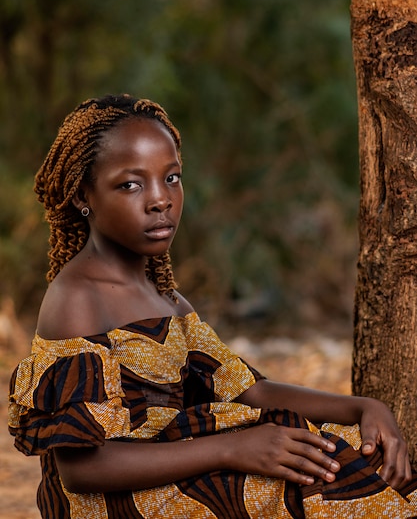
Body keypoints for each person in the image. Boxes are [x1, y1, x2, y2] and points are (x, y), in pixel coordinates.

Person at [8, 94, 417, 519]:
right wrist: (233, 448)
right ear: (81, 196)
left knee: (342, 458)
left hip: (177, 470)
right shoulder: (77, 298)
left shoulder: (164, 297)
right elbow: (81, 469)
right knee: (303, 484)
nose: (159, 200)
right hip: (117, 500)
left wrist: (365, 408)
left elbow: (251, 390)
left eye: (171, 178)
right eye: (131, 184)